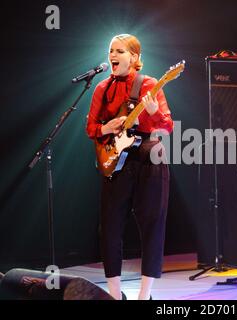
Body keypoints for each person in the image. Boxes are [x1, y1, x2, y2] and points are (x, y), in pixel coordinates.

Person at [86, 34, 173, 300]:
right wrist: (105, 127)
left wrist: (154, 111)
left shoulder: (149, 84)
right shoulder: (102, 87)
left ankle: (144, 295)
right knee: (110, 229)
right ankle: (114, 294)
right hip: (116, 161)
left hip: (148, 157)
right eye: (111, 50)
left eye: (119, 51)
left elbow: (167, 126)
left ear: (134, 58)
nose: (112, 55)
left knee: (152, 226)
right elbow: (90, 128)